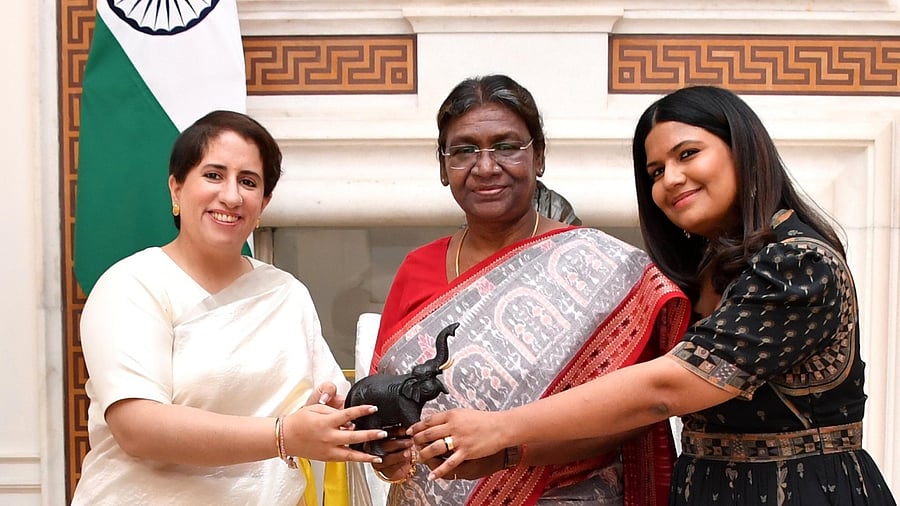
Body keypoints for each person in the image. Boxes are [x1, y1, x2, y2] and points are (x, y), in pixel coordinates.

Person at [408, 86, 898, 505]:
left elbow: (665, 389)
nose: (671, 180)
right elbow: (623, 404)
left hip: (804, 490)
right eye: (656, 171)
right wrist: (510, 455)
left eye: (687, 154)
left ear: (743, 149)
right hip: (705, 489)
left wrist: (502, 428)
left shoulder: (798, 263)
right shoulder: (697, 271)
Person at [368, 75, 691, 505]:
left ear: (538, 156)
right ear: (444, 167)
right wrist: (388, 458)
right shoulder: (417, 269)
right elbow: (386, 414)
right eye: (464, 151)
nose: (486, 167)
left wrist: (510, 451)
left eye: (506, 147)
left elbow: (633, 412)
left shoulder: (598, 265)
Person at [72, 110, 386, 505]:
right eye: (213, 175)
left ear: (264, 203)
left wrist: (326, 412)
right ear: (176, 188)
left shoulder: (285, 292)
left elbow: (322, 403)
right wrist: (284, 435)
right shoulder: (133, 284)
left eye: (248, 182)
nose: (232, 196)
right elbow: (137, 427)